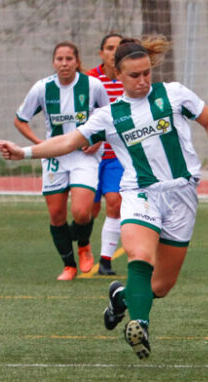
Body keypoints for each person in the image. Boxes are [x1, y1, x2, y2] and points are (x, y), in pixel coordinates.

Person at [0, 35, 208, 359]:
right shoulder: (110, 116)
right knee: (140, 257)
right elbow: (69, 141)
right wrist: (25, 152)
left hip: (182, 195)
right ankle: (139, 325)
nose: (143, 81)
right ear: (118, 76)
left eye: (146, 73)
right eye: (134, 75)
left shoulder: (174, 94)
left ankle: (122, 298)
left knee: (161, 286)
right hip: (139, 193)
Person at [14, 41, 110, 281]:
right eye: (60, 59)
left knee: (81, 211)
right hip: (54, 156)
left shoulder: (93, 85)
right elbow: (20, 119)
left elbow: (110, 117)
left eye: (69, 59)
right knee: (56, 214)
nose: (64, 64)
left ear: (77, 61)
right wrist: (39, 144)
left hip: (84, 156)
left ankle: (84, 244)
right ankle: (69, 266)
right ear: (54, 62)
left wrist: (97, 142)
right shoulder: (42, 88)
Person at [86, 33, 125, 275]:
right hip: (89, 155)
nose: (114, 52)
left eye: (118, 48)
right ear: (101, 53)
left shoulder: (129, 79)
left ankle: (106, 260)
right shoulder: (89, 80)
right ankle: (84, 248)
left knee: (115, 202)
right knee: (88, 210)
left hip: (116, 156)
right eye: (109, 48)